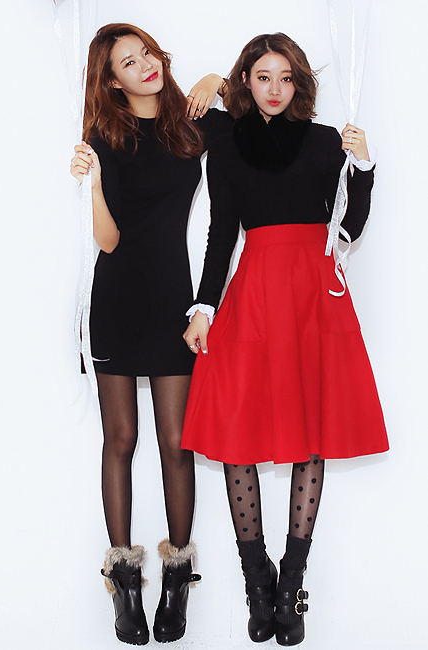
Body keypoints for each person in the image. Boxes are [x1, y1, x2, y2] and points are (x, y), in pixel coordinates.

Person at [182, 32, 389, 646]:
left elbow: (347, 228)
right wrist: (204, 307)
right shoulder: (224, 140)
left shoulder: (325, 142)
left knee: (310, 425)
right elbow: (221, 231)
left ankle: (292, 579)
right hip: (254, 289)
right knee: (236, 425)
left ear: (299, 82)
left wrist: (364, 167)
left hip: (313, 293)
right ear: (247, 80)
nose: (274, 88)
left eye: (285, 77)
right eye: (262, 76)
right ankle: (257, 579)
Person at [70, 23, 232, 646]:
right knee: (121, 438)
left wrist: (216, 81)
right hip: (116, 300)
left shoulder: (190, 125)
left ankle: (178, 577)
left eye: (146, 53)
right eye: (127, 62)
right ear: (112, 81)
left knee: (175, 441)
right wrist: (93, 183)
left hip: (172, 302)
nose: (144, 66)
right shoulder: (104, 136)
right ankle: (125, 585)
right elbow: (108, 241)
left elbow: (247, 119)